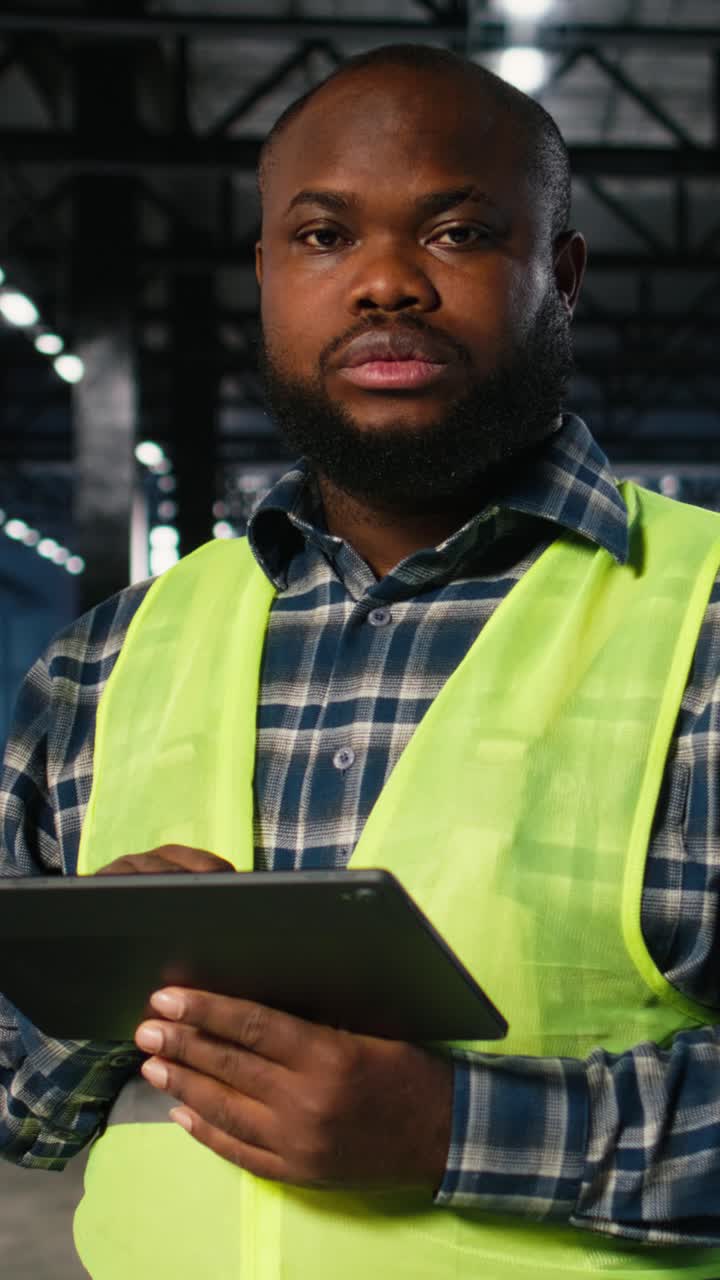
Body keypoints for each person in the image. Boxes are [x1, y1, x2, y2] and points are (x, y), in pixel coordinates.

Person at [2, 41, 720, 1280]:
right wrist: (92, 991)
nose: (386, 283)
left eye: (456, 234)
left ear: (559, 274)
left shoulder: (701, 618)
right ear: (269, 272)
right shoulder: (106, 660)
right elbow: (18, 1094)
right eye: (326, 237)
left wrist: (456, 1130)